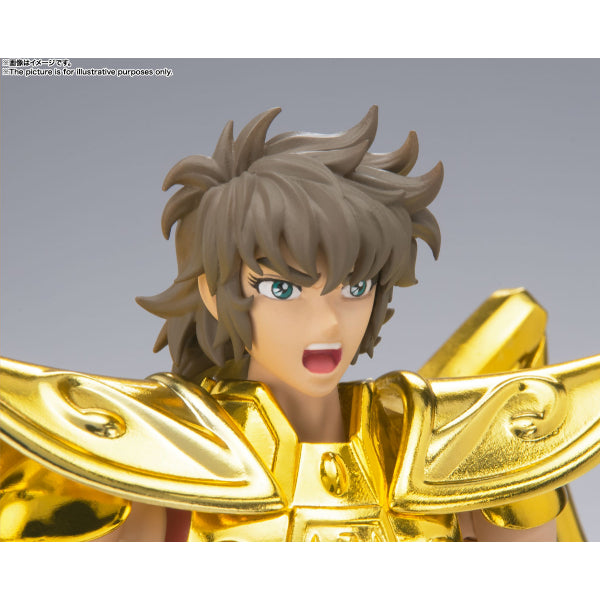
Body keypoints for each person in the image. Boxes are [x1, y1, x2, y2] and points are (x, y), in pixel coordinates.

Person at [1, 107, 599, 541]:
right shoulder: (158, 468)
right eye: (282, 289)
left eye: (355, 287)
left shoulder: (454, 450)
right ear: (214, 294)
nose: (327, 321)